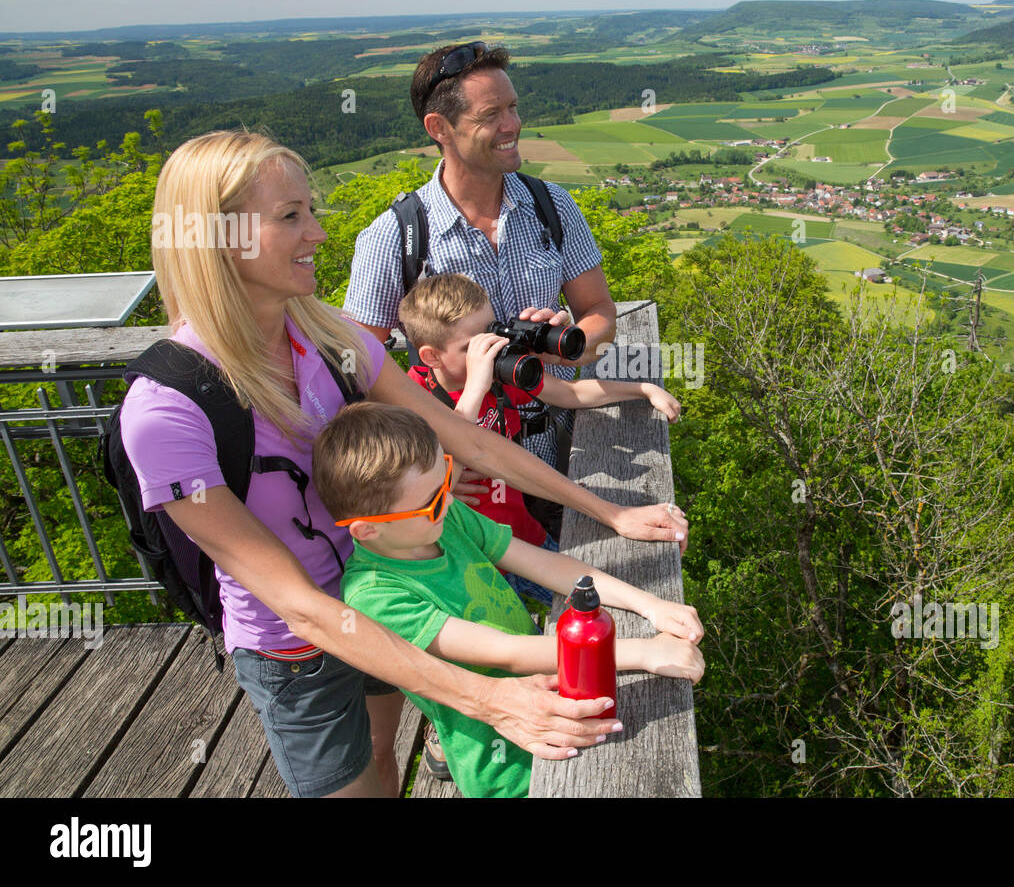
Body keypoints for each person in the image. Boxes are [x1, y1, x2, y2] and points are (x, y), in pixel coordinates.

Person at [120, 130, 690, 797]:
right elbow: (300, 607)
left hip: (395, 586)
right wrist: (489, 699)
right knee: (363, 781)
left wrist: (610, 513)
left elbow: (468, 441)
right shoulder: (167, 412)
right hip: (299, 650)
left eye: (310, 211)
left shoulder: (328, 338)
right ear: (218, 239)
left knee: (387, 762)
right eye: (291, 216)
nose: (318, 235)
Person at [314, 401, 704, 797]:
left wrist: (649, 605)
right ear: (368, 530)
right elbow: (506, 651)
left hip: (560, 702)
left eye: (445, 479)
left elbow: (545, 564)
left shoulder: (446, 519)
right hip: (504, 765)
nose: (448, 500)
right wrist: (644, 652)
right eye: (431, 503)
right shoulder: (375, 596)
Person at [343, 41, 617, 482]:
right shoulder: (395, 237)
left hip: (561, 449)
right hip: (464, 471)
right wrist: (430, 461)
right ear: (440, 127)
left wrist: (567, 346)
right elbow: (357, 370)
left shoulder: (552, 206)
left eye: (513, 107)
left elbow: (600, 310)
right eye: (491, 115)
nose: (513, 125)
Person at [397, 272, 682, 605]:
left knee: (597, 610)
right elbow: (434, 491)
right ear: (431, 356)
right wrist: (475, 390)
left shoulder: (499, 374)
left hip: (525, 539)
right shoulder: (413, 402)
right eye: (470, 348)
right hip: (475, 568)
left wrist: (642, 389)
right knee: (519, 634)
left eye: (490, 336)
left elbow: (569, 393)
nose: (487, 353)